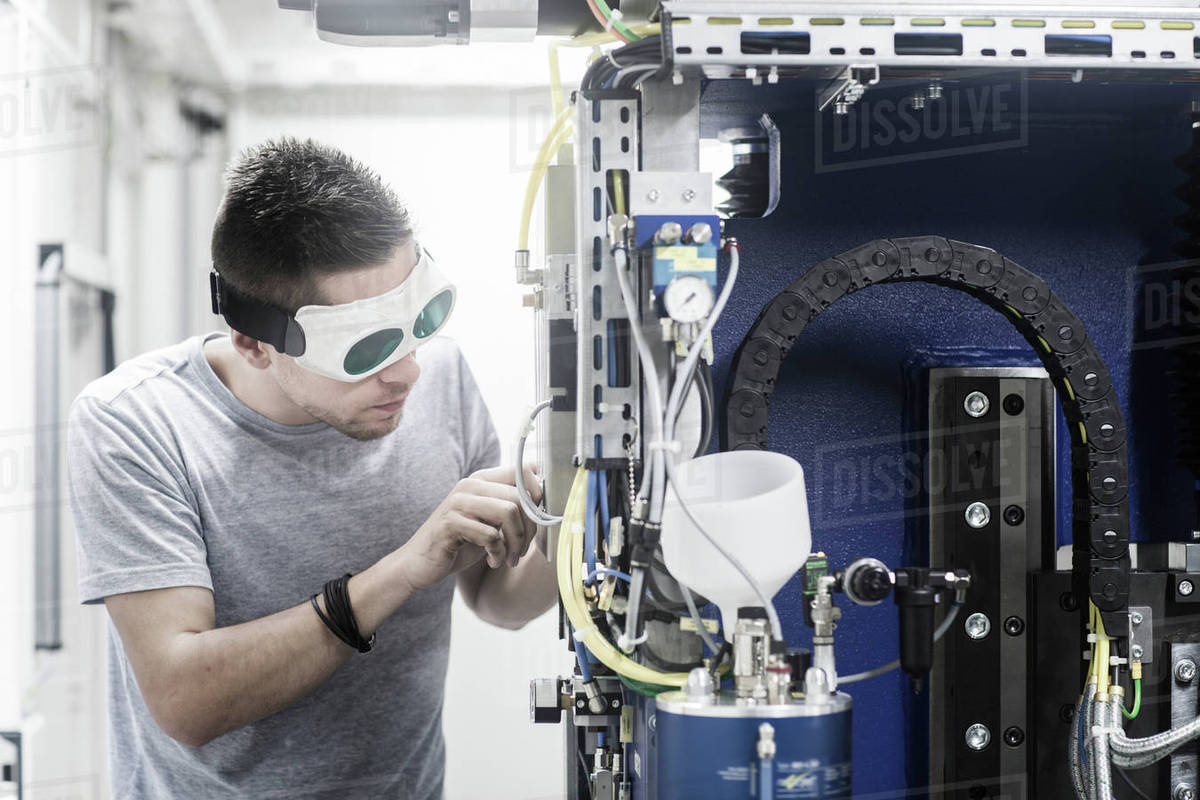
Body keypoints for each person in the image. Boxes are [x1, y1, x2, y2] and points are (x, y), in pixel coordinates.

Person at [67, 137, 558, 799]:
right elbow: (186, 700)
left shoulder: (439, 377)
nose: (409, 369)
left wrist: (573, 517)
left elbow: (497, 600)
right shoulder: (138, 424)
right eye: (368, 346)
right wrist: (404, 568)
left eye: (420, 321)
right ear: (253, 341)